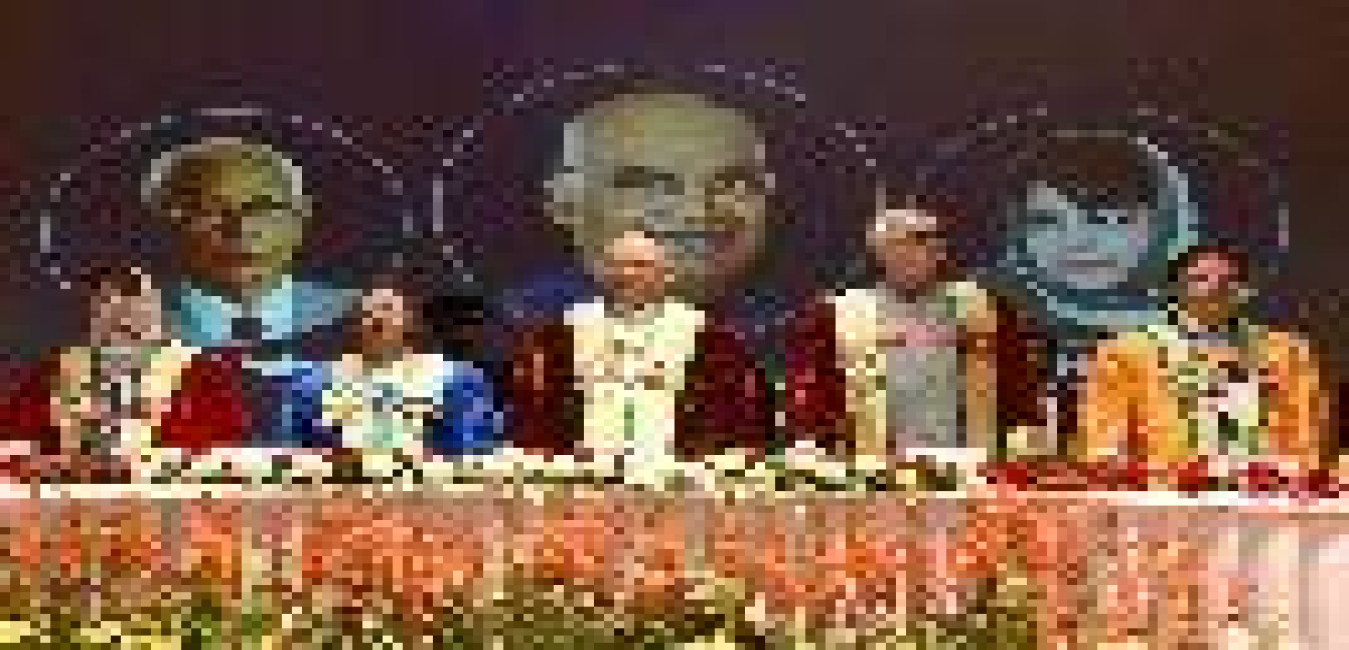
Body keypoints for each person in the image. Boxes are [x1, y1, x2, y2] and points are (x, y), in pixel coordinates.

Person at [502, 89, 786, 352]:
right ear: (564, 203)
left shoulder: (789, 334)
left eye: (733, 184)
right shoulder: (507, 341)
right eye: (650, 186)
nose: (697, 211)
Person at [783, 192, 1043, 459]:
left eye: (928, 240)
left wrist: (1026, 436)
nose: (916, 252)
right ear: (879, 250)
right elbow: (811, 398)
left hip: (969, 464)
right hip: (875, 469)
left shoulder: (987, 309)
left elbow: (1020, 393)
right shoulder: (837, 315)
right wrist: (811, 442)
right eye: (902, 242)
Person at [507, 230, 770, 463]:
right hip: (582, 472)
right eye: (617, 266)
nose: (627, 275)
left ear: (667, 274)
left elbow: (738, 415)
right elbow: (538, 412)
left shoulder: (707, 337)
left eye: (640, 265)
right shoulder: (563, 334)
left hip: (679, 475)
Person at [1077, 243, 1325, 465]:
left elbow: (1305, 434)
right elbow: (1104, 439)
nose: (1214, 288)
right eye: (1200, 278)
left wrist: (1291, 477)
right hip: (1162, 489)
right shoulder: (1124, 352)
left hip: (1262, 489)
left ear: (1246, 290)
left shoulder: (1286, 352)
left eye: (1228, 280)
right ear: (1174, 289)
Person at [0, 266, 248, 478]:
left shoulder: (203, 375)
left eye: (135, 297)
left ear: (162, 313)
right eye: (107, 299)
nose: (122, 310)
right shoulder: (53, 373)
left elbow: (224, 457)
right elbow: (13, 447)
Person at [143, 136, 354, 356]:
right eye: (210, 211)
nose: (241, 229)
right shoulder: (132, 330)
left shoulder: (357, 317)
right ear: (164, 224)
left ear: (301, 218)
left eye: (264, 208)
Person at [284, 277, 503, 458]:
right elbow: (300, 449)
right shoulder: (317, 383)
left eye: (387, 309)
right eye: (368, 311)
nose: (377, 317)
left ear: (409, 320)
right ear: (355, 322)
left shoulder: (456, 378)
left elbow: (475, 447)